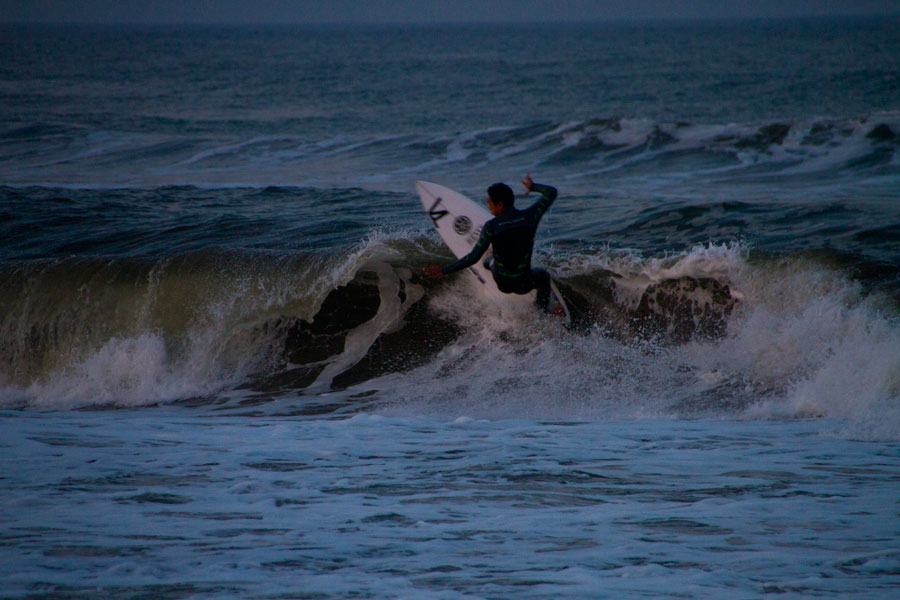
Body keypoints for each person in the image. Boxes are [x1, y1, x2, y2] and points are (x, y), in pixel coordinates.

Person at [423, 174, 559, 312]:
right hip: (525, 284)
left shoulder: (492, 226)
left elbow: (473, 257)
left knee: (488, 260)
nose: (489, 207)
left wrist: (443, 271)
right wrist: (532, 186)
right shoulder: (531, 215)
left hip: (503, 284)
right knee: (543, 276)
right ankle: (542, 311)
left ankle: (490, 259)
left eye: (490, 203)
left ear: (500, 205)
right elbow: (551, 192)